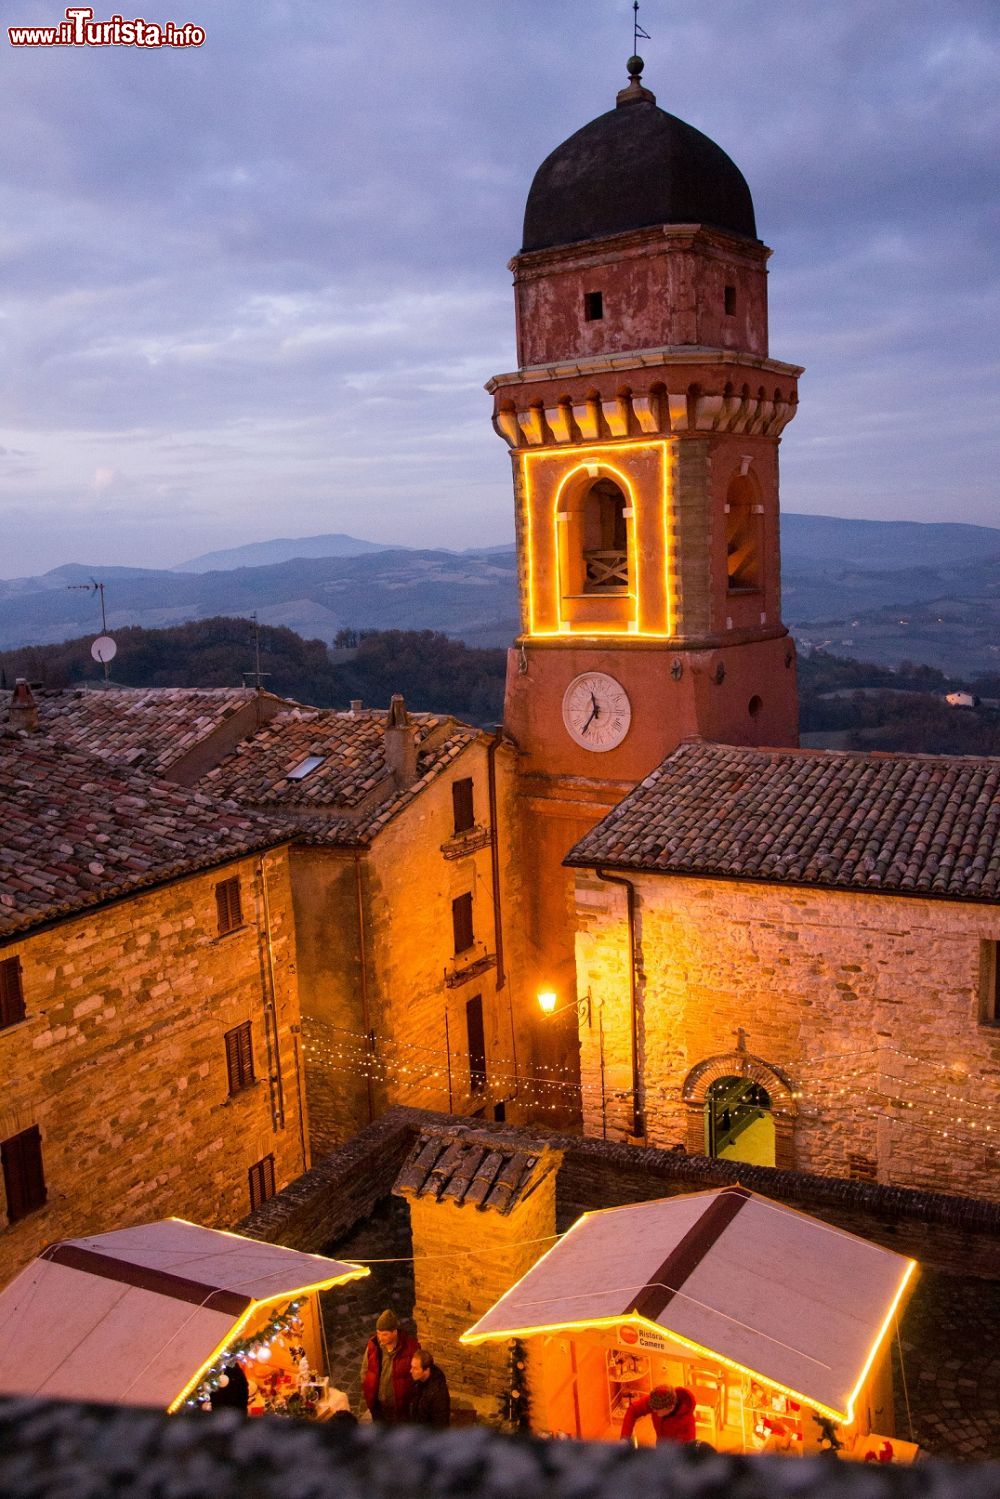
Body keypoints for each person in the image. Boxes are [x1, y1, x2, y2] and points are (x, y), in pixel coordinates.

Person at [360, 1308, 420, 1423]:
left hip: (400, 1409)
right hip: (378, 1407)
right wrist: (368, 1390)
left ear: (395, 1332)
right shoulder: (373, 1347)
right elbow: (364, 1370)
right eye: (378, 1333)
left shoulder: (411, 1349)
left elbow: (417, 1379)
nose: (380, 1338)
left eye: (384, 1334)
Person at [620, 1384, 697, 1445]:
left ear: (670, 1407)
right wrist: (624, 1438)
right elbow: (633, 1410)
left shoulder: (687, 1425)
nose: (653, 1411)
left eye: (657, 1411)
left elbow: (684, 1455)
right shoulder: (657, 1400)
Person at [408, 1348, 451, 1428]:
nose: (411, 1371)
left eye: (415, 1368)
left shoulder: (438, 1393)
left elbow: (440, 1425)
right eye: (411, 1367)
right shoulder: (418, 1381)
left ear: (427, 1370)